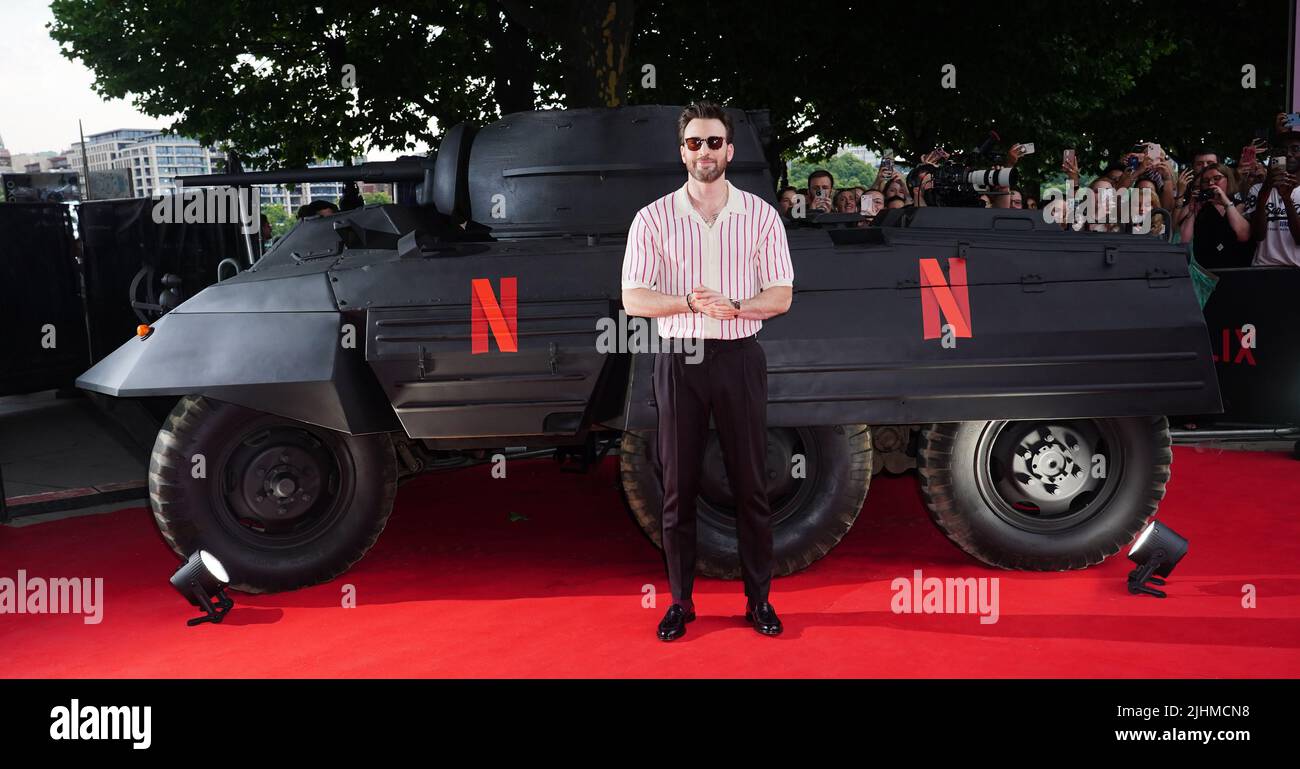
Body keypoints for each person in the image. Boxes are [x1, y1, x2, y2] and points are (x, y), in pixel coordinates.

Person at [621, 101, 794, 641]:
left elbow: (782, 294)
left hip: (740, 356)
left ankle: (759, 601)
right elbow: (633, 298)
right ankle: (680, 602)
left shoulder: (761, 215)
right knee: (677, 486)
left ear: (730, 151)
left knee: (751, 485)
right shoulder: (651, 218)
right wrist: (692, 305)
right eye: (694, 143)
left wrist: (736, 306)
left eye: (713, 142)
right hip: (680, 361)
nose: (704, 152)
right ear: (682, 152)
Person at [1243, 121, 1300, 267]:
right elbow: (1258, 235)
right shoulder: (1257, 190)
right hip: (1263, 269)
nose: (1288, 154)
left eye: (1295, 149)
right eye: (1282, 150)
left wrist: (1287, 200)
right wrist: (1267, 187)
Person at [1177, 163, 1250, 267]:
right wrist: (1192, 210)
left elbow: (1244, 235)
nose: (1211, 183)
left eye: (1217, 178)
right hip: (1206, 273)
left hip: (1235, 270)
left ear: (1228, 179)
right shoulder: (1200, 206)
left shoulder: (1239, 204)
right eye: (1205, 181)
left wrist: (1226, 202)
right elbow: (1184, 240)